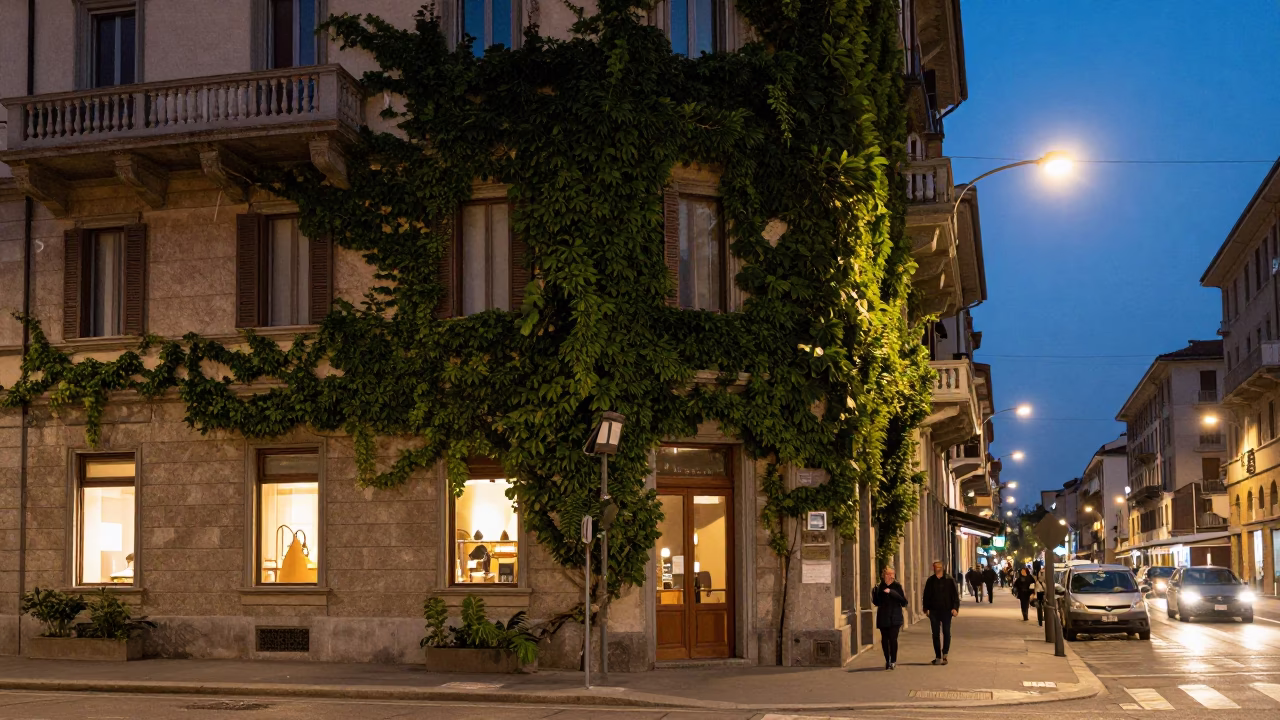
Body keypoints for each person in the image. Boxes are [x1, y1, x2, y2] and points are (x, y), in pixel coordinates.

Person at [922, 560, 960, 665]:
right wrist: (926, 608)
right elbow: (926, 595)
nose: (937, 569)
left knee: (946, 632)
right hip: (934, 611)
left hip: (947, 610)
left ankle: (945, 655)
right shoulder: (931, 581)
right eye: (935, 567)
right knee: (935, 634)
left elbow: (955, 596)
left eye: (938, 567)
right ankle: (937, 656)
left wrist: (955, 608)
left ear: (942, 568)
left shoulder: (949, 580)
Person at [871, 566, 908, 670]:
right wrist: (874, 594)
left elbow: (904, 602)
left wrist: (892, 592)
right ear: (884, 575)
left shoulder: (897, 586)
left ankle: (893, 661)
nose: (890, 576)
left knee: (893, 639)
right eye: (888, 574)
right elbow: (877, 602)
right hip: (883, 617)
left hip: (895, 617)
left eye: (892, 574)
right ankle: (887, 660)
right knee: (884, 640)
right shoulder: (879, 586)